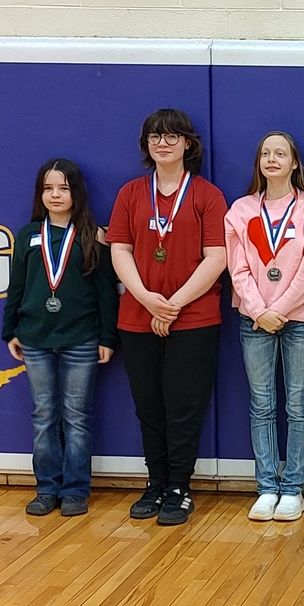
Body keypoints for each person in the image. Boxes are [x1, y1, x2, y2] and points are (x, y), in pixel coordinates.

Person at [107, 109, 227, 526]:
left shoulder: (207, 195)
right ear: (146, 145)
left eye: (172, 136)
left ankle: (179, 486)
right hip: (138, 317)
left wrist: (172, 304)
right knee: (148, 406)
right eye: (155, 136)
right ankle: (155, 483)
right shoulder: (130, 193)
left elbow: (218, 257)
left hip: (193, 319)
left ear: (188, 145)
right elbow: (119, 250)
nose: (163, 143)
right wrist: (147, 299)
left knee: (183, 406)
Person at [2, 159, 119, 517]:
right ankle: (46, 488)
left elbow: (106, 293)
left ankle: (75, 489)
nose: (56, 195)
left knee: (77, 416)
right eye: (49, 188)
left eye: (63, 188)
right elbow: (17, 288)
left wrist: (108, 337)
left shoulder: (92, 235)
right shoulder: (27, 235)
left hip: (82, 339)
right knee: (43, 415)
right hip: (35, 338)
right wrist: (11, 330)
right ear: (40, 193)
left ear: (76, 193)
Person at [225, 132, 304, 522]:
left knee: (298, 404)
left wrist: (279, 309)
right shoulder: (240, 210)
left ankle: (293, 489)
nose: (272, 159)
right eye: (266, 153)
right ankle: (267, 486)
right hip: (254, 318)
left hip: (299, 317)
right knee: (262, 404)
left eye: (280, 153)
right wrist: (257, 309)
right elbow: (238, 268)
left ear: (294, 162)